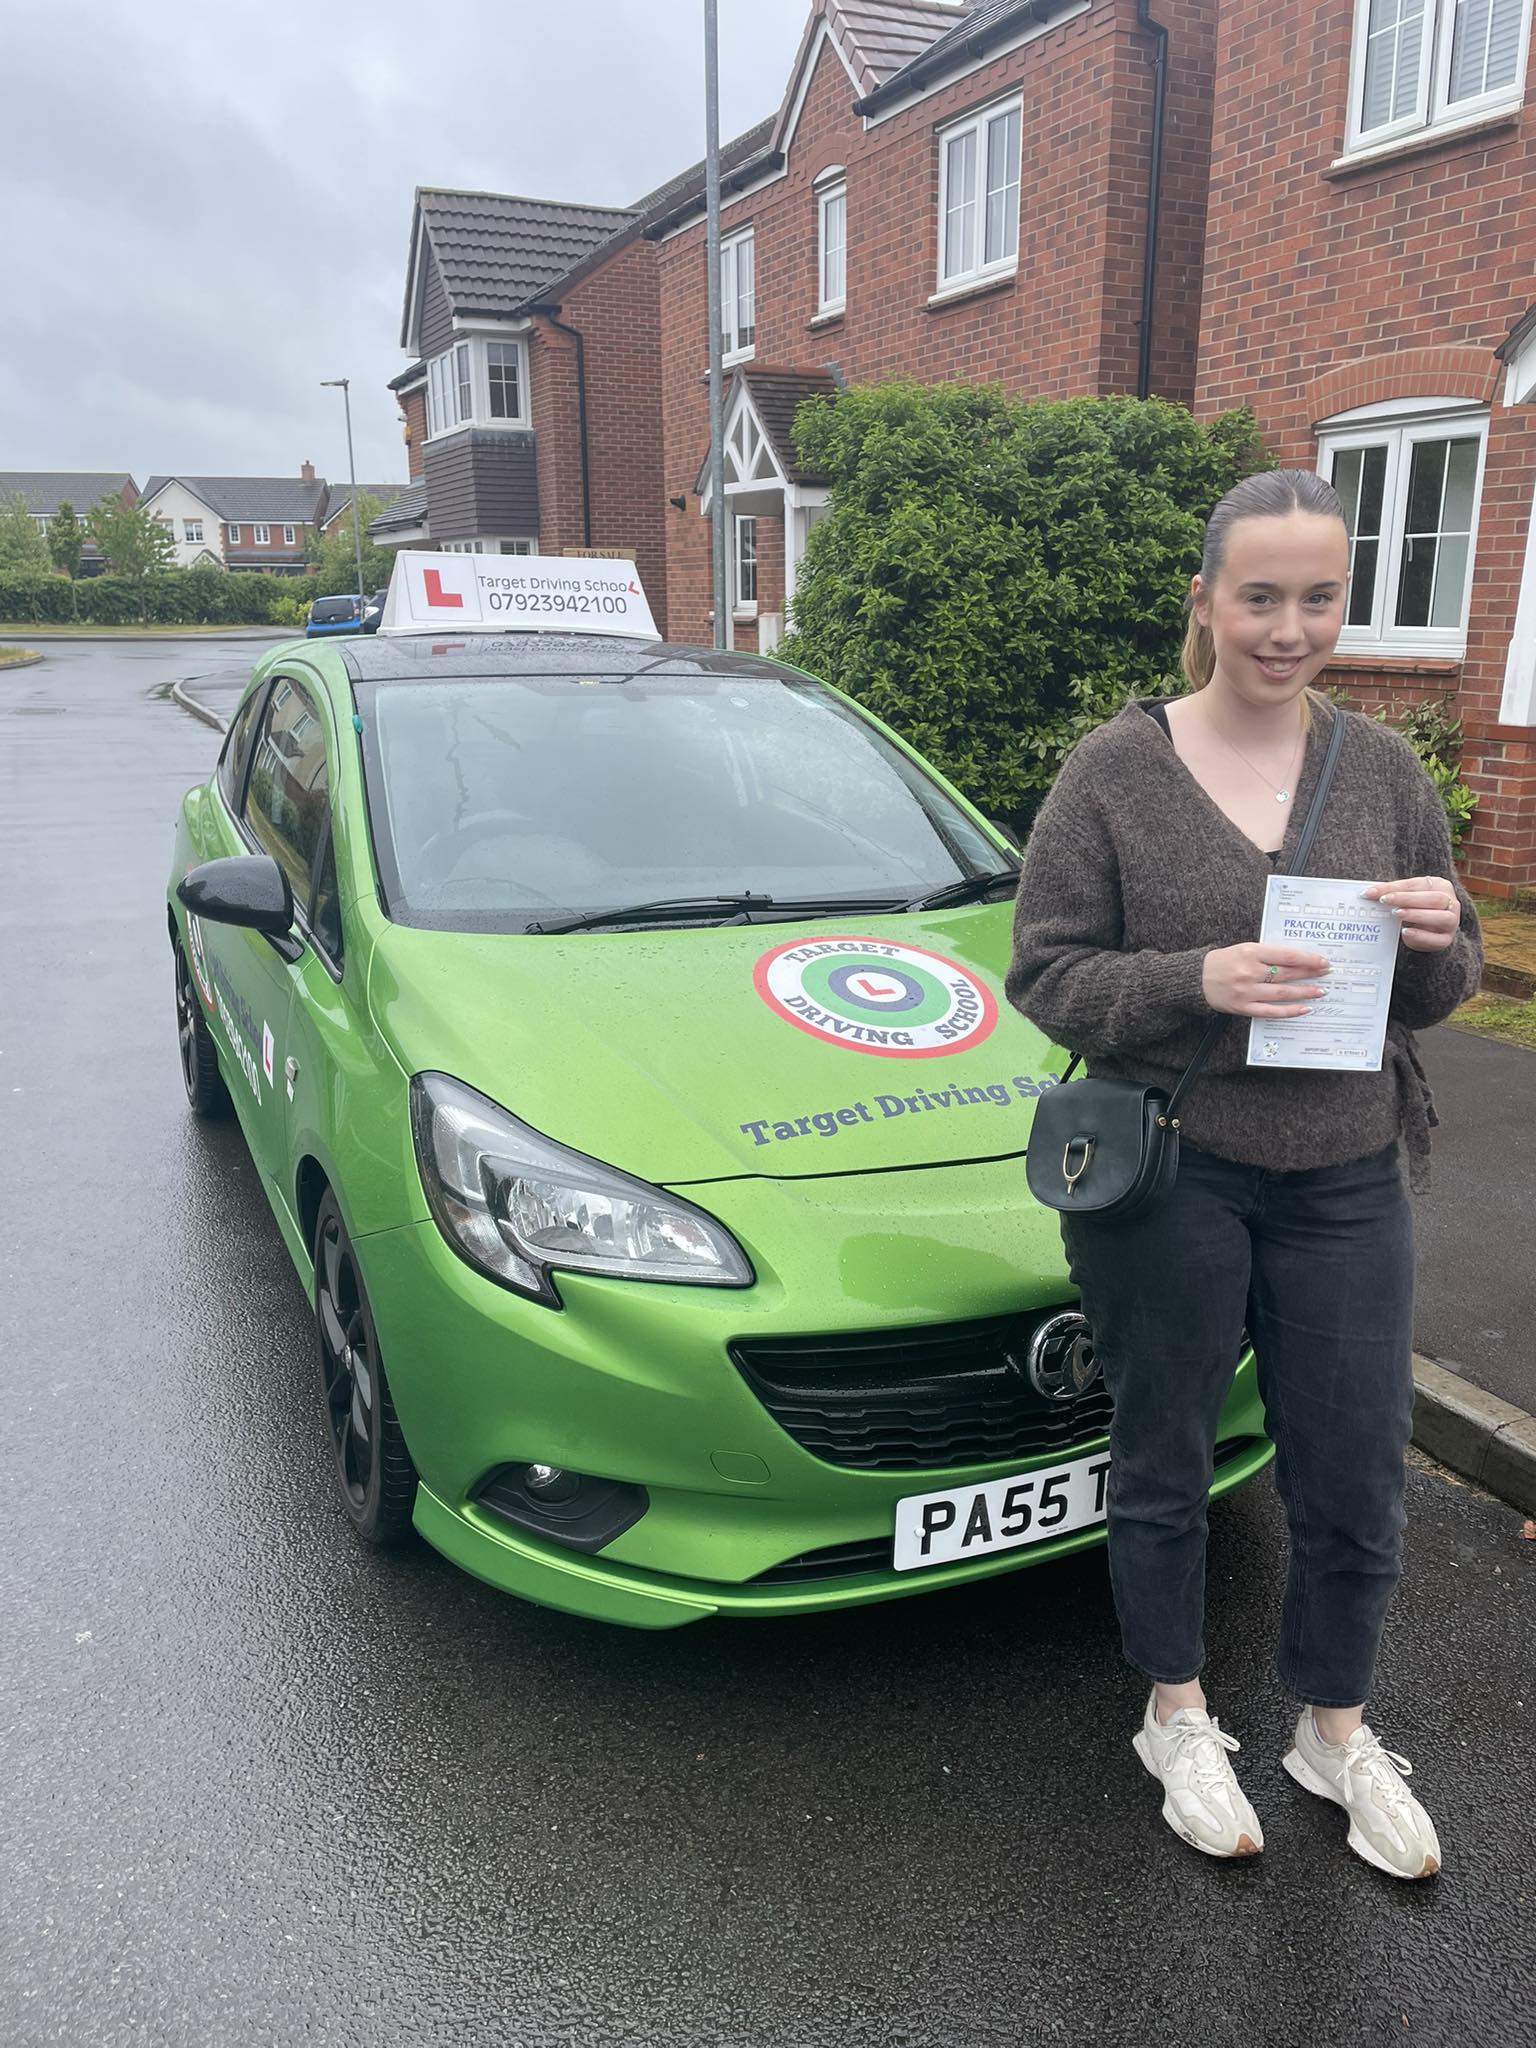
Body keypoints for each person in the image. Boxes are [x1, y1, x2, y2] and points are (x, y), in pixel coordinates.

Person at [1006, 469, 1482, 1879]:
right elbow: (1043, 971)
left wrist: (1445, 934)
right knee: (1164, 1459)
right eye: (1259, 596)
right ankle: (1178, 1713)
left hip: (1345, 1175)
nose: (1289, 628)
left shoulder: (1385, 774)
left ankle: (1331, 1733)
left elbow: (1438, 988)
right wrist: (1194, 976)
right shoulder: (1115, 771)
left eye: (1318, 598)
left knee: (1353, 1476)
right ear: (1203, 601)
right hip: (1179, 1173)